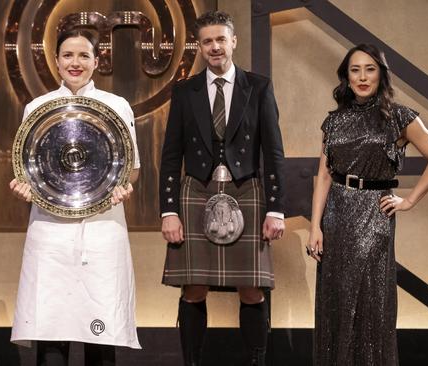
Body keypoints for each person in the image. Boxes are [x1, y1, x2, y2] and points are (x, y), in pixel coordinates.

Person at [308, 43, 428, 365]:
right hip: (335, 216)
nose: (362, 76)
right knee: (336, 300)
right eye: (355, 69)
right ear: (346, 75)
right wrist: (315, 226)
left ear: (381, 74)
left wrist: (410, 200)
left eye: (369, 69)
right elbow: (324, 175)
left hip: (374, 215)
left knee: (370, 302)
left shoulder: (399, 116)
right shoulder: (334, 121)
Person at [159, 10, 286, 366]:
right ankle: (192, 362)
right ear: (199, 47)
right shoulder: (185, 91)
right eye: (207, 42)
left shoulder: (258, 87)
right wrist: (168, 210)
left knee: (251, 288)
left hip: (246, 191)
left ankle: (256, 362)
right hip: (196, 192)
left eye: (220, 40)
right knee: (194, 287)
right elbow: (170, 155)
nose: (214, 47)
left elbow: (273, 152)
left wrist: (276, 208)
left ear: (233, 41)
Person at [8, 29, 141, 366]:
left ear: (97, 62)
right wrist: (25, 187)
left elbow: (132, 167)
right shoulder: (37, 108)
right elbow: (30, 168)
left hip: (102, 229)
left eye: (84, 55)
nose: (75, 62)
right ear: (56, 62)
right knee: (51, 336)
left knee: (100, 335)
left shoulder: (117, 106)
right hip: (49, 234)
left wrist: (124, 186)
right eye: (68, 55)